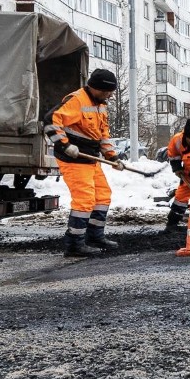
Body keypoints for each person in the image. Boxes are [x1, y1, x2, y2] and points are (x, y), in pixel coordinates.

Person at [44, 68, 124, 257]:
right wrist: (65, 145)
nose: (110, 95)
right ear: (95, 88)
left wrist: (112, 157)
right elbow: (50, 121)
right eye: (107, 92)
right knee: (84, 199)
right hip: (74, 159)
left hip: (91, 158)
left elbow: (102, 134)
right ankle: (74, 244)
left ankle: (94, 236)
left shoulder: (101, 104)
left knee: (103, 196)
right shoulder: (77, 100)